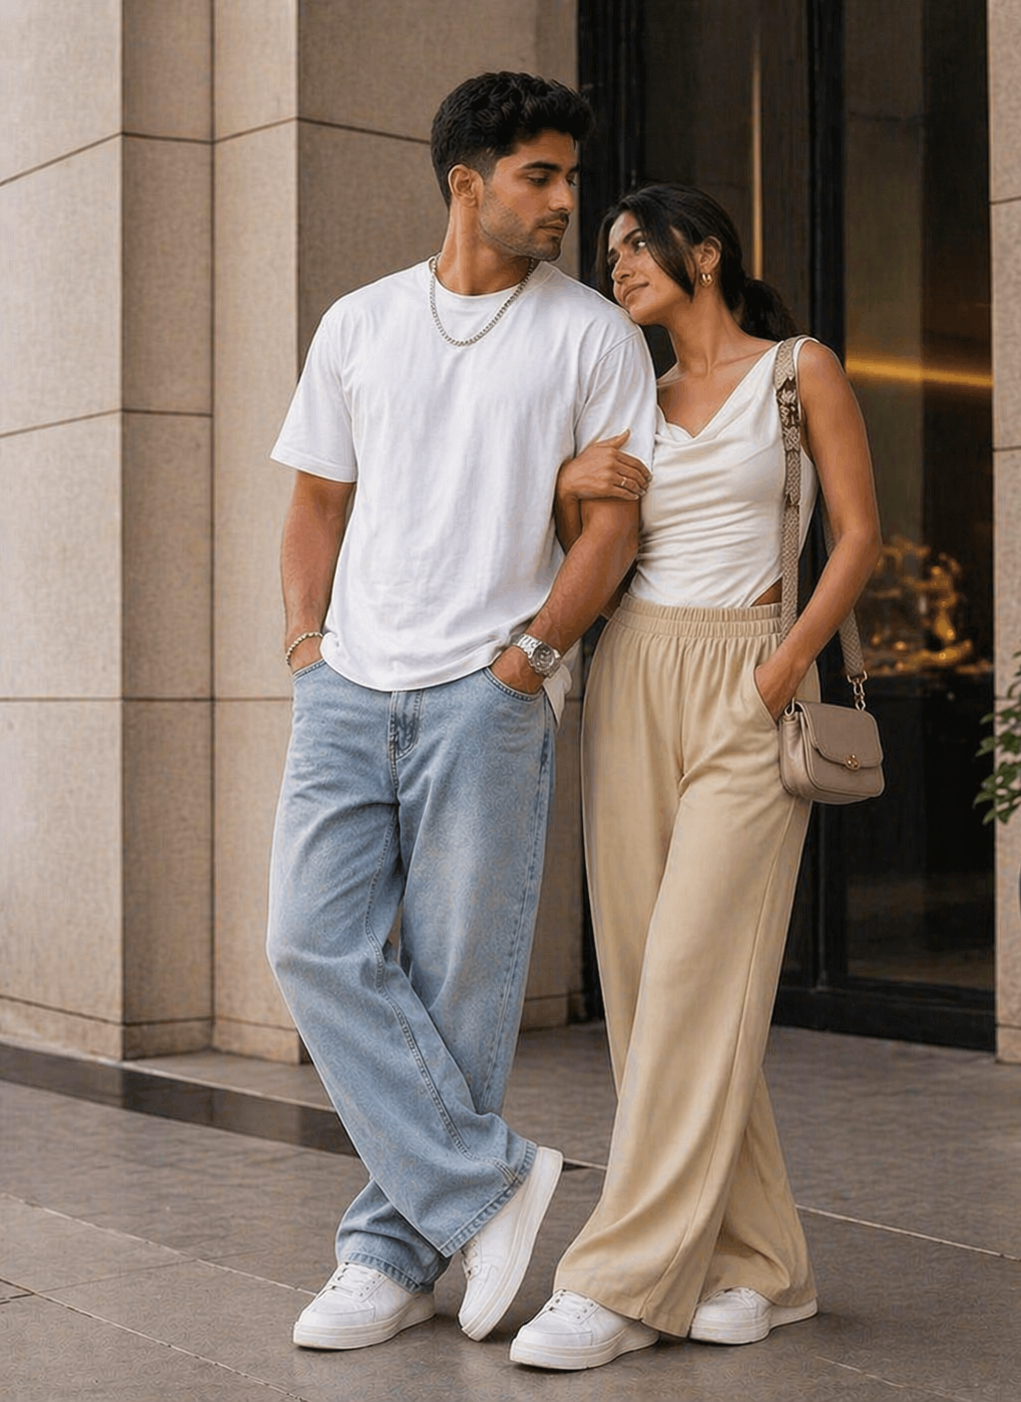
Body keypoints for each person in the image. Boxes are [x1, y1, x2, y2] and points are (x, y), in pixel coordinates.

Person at [266, 72, 656, 1353]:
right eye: (538, 176)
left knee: (457, 985)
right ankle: (490, 1180)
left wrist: (532, 655)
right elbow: (318, 500)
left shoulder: (591, 334)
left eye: (568, 178)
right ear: (465, 180)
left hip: (488, 691)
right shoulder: (361, 323)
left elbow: (613, 524)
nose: (562, 202)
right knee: (309, 946)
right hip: (346, 684)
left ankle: (389, 1252)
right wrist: (306, 644)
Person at [511, 183, 881, 1371]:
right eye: (606, 251)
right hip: (632, 681)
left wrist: (776, 676)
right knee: (646, 987)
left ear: (706, 254)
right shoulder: (636, 400)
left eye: (636, 245)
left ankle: (619, 1279)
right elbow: (595, 549)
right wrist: (575, 491)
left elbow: (861, 537)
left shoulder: (798, 369)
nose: (616, 264)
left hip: (746, 673)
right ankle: (768, 1264)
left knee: (690, 979)